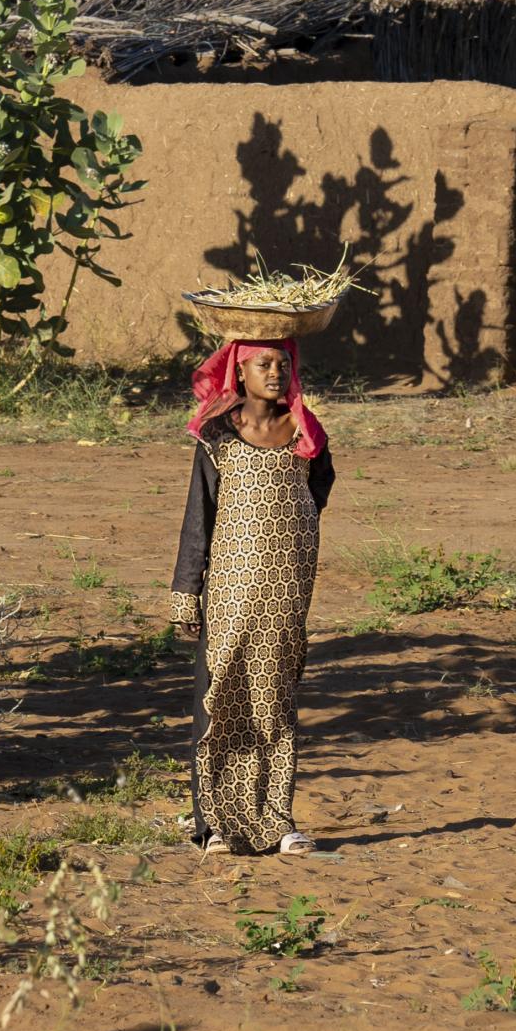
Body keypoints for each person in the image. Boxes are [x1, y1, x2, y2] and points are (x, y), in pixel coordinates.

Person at [169, 337, 335, 856]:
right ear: (238, 372)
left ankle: (277, 820)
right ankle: (213, 825)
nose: (275, 372)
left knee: (275, 699)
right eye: (263, 363)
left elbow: (319, 490)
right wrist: (185, 597)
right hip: (229, 592)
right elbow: (199, 519)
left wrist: (289, 531)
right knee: (219, 699)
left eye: (284, 363)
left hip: (286, 589)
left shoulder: (305, 432)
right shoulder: (217, 434)